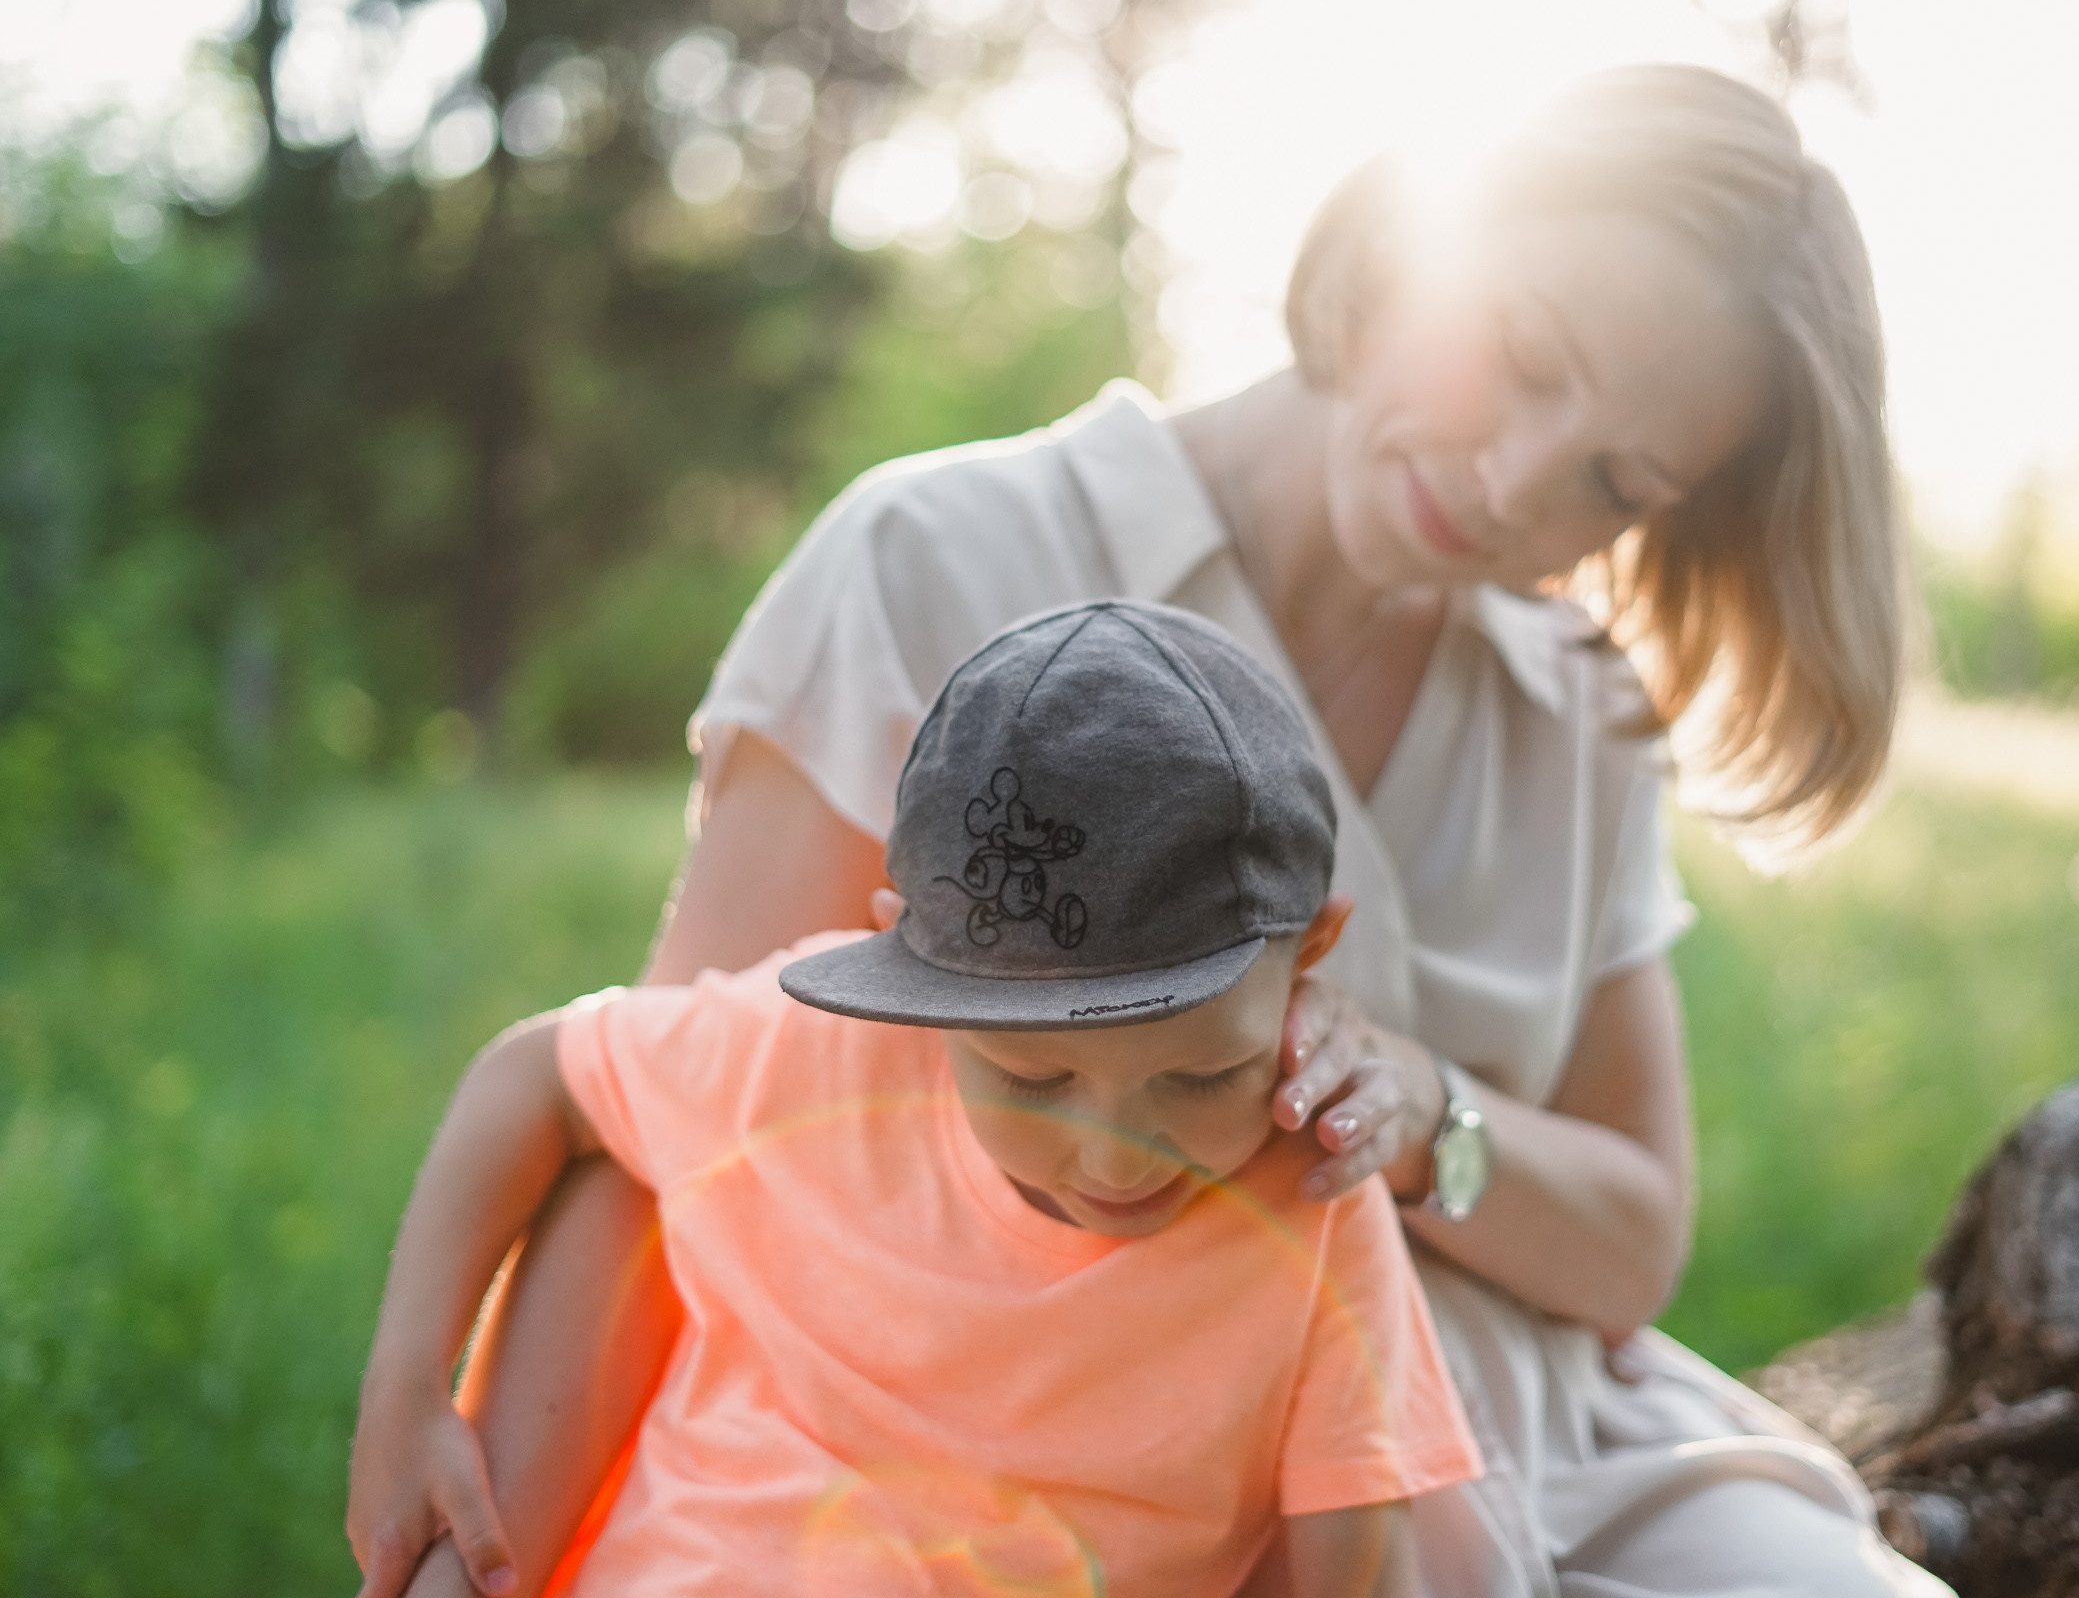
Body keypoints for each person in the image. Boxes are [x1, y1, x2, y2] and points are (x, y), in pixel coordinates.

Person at [350, 62, 1951, 1598]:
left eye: (1613, 474)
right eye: (1526, 355)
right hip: (1079, 1472)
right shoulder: (942, 557)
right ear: (1413, 235)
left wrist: (1418, 1109)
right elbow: (661, 1143)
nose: (1517, 475)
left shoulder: (1578, 714)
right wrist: (483, 1564)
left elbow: (1628, 1245)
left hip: (1545, 1437)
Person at [351, 601, 1485, 1598]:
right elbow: (534, 1074)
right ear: (914, 968)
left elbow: (1360, 1565)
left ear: (1315, 950)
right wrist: (406, 1395)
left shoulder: (1314, 1205)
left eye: (1201, 1076)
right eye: (1034, 1079)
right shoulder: (805, 1057)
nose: (1116, 1155)